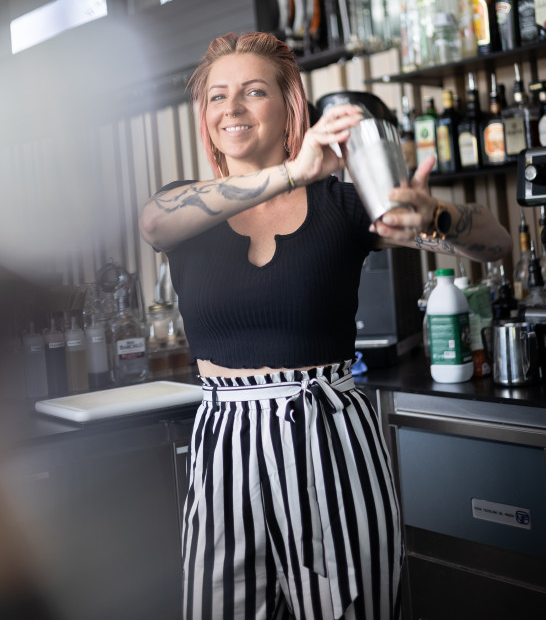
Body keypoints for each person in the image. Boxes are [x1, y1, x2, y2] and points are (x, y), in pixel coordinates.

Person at [139, 31, 512, 620]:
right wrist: (293, 172)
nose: (231, 108)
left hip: (331, 442)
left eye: (253, 91)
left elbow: (495, 243)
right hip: (225, 448)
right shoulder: (185, 206)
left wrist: (436, 215)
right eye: (217, 96)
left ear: (291, 108)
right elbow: (154, 226)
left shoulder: (341, 203)